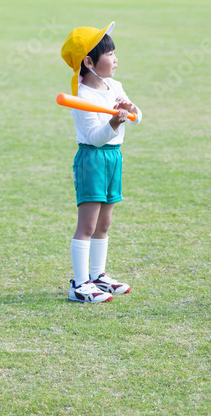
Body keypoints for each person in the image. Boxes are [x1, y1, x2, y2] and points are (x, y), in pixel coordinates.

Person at [60, 22, 142, 303]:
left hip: (113, 158)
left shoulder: (114, 85)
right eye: (110, 55)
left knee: (104, 223)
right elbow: (95, 137)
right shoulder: (82, 96)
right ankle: (79, 285)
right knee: (88, 224)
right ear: (89, 61)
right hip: (93, 158)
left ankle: (98, 276)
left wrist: (131, 111)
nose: (116, 59)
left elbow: (137, 116)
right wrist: (114, 122)